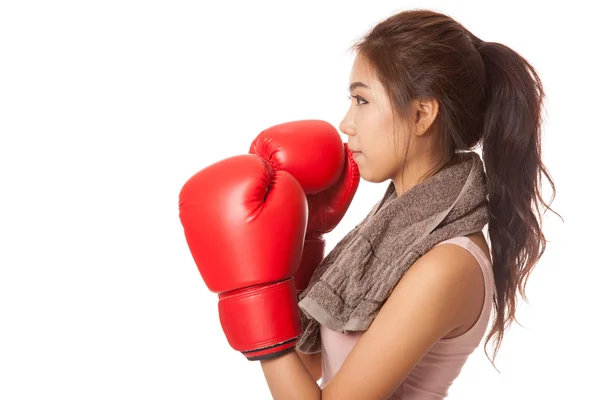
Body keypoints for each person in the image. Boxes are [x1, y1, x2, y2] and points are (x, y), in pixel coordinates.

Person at [178, 8, 557, 400]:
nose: (346, 122)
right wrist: (302, 244)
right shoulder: (394, 232)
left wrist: (252, 292)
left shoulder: (448, 264)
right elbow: (312, 362)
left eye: (362, 100)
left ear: (421, 114)